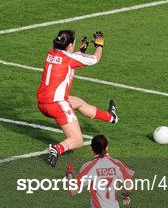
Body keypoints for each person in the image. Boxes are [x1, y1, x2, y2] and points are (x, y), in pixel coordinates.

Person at [37, 30, 118, 167]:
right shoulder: (69, 58)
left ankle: (110, 116)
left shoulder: (51, 53)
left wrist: (80, 51)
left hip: (42, 103)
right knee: (77, 140)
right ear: (69, 46)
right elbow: (94, 59)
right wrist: (99, 46)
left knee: (79, 103)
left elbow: (65, 58)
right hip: (57, 104)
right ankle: (57, 149)